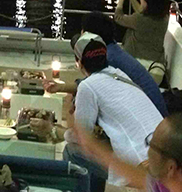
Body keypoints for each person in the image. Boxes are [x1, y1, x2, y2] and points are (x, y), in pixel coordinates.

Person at [30, 40, 163, 192]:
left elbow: (80, 138)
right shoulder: (119, 74)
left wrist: (52, 129)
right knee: (98, 146)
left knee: (72, 151)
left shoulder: (88, 86)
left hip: (143, 167)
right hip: (164, 155)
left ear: (79, 63)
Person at [72, 113, 182, 192]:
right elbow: (135, 175)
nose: (148, 151)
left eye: (152, 145)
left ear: (171, 167)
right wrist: (91, 144)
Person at [45, 12, 169, 117]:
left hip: (151, 118)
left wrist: (60, 88)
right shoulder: (113, 50)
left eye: (83, 31)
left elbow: (89, 85)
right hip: (155, 112)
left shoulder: (108, 58)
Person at [114, 0, 170, 65]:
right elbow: (141, 11)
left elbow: (118, 17)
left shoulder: (138, 19)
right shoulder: (164, 18)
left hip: (135, 61)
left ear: (147, 3)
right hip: (155, 61)